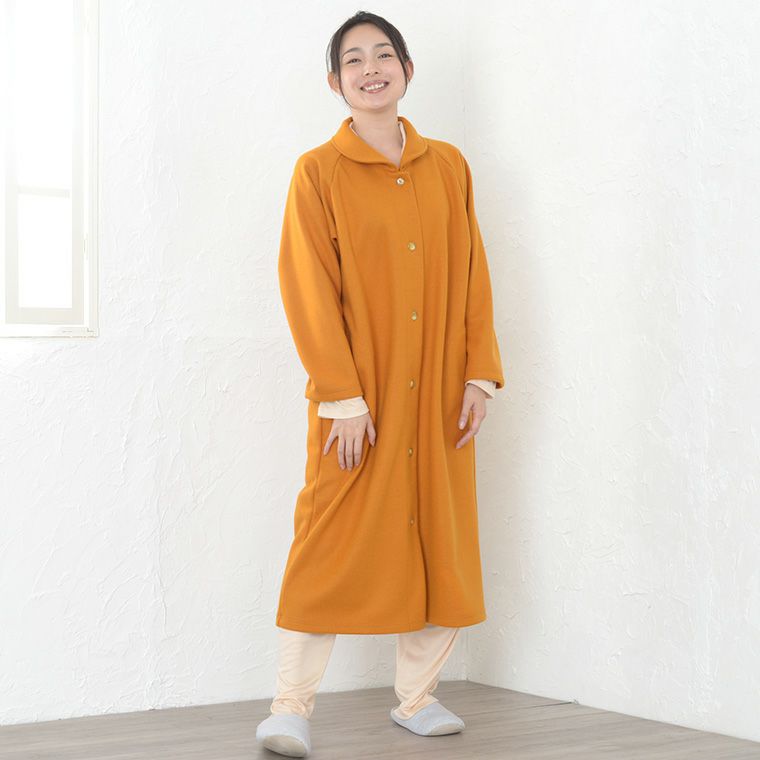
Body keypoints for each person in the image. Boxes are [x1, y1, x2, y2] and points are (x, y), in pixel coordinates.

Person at [256, 11, 505, 757]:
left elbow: (473, 272)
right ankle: (290, 706)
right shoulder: (318, 172)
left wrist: (480, 374)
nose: (372, 68)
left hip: (439, 394)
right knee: (328, 542)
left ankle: (416, 697)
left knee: (439, 537)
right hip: (359, 400)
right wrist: (343, 398)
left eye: (384, 54)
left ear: (407, 70)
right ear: (336, 82)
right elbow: (308, 289)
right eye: (355, 60)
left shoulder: (449, 166)